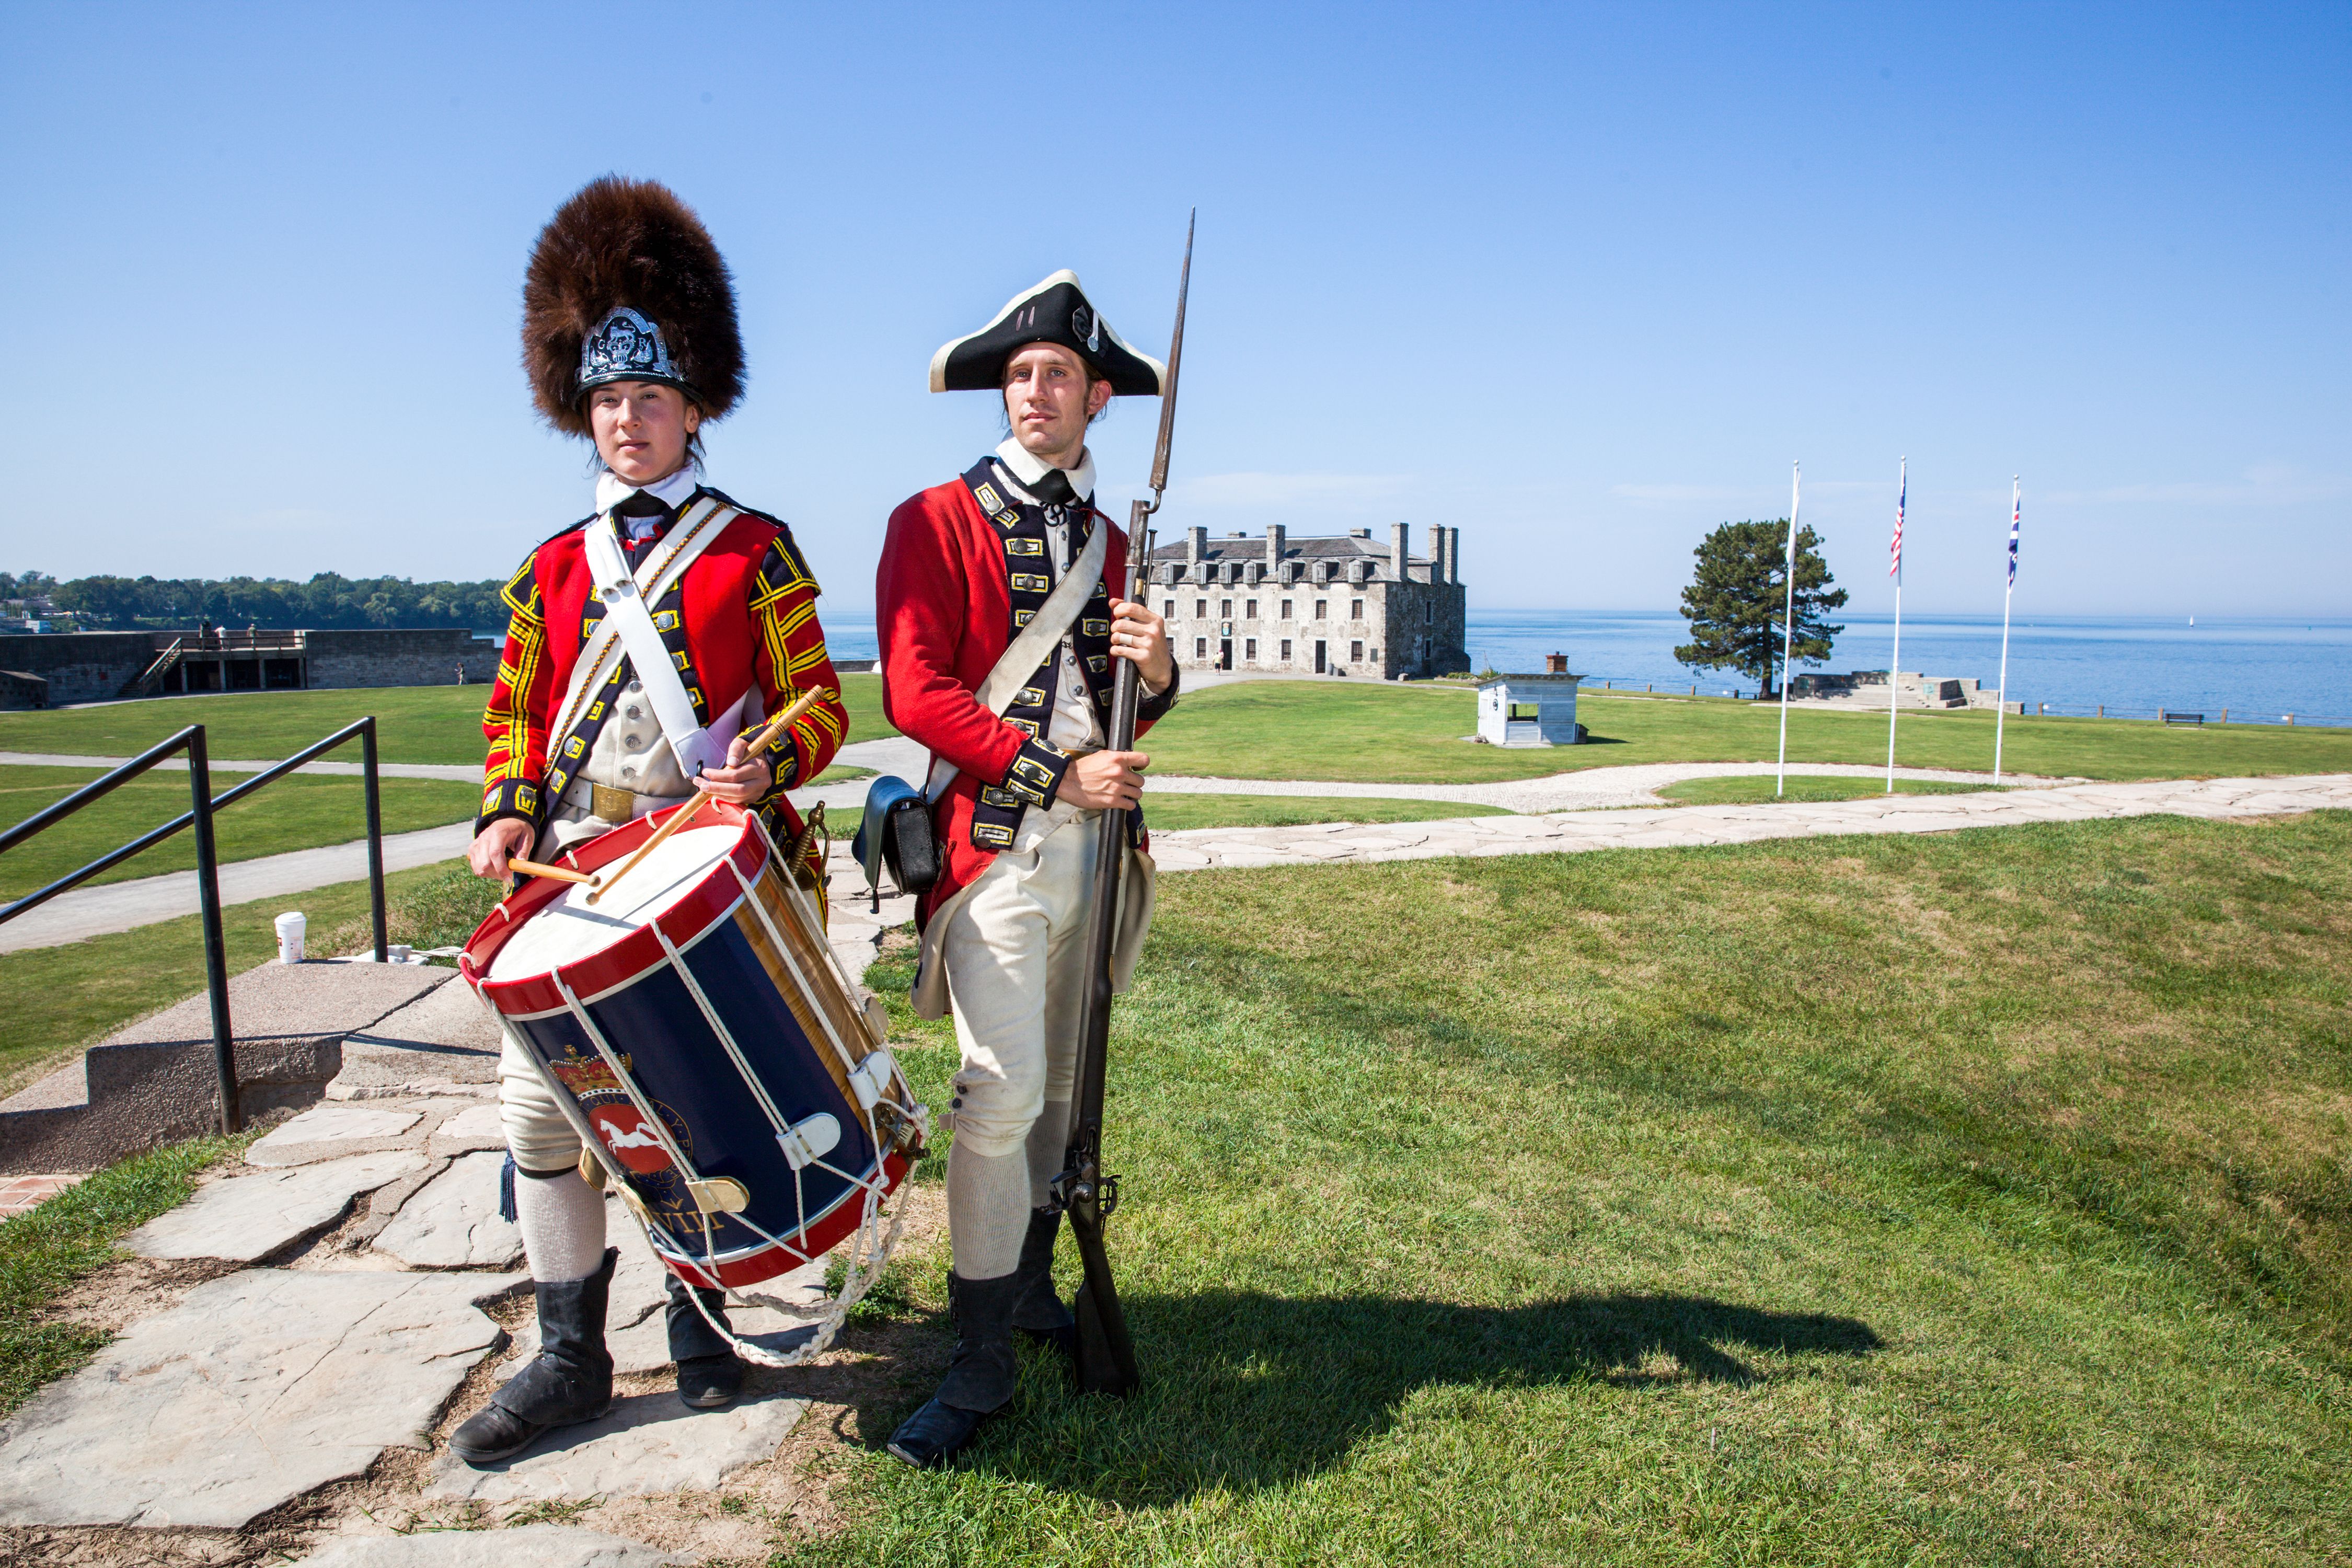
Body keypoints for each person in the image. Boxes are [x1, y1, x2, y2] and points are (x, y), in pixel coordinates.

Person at [452, 176, 850, 1466]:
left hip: (696, 870)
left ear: (694, 409)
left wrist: (768, 764)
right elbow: (517, 715)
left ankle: (702, 1324)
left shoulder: (759, 551)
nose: (628, 420)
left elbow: (819, 706)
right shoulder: (553, 568)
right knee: (542, 1116)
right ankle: (569, 1356)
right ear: (589, 411)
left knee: (689, 1102)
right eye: (609, 402)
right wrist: (507, 812)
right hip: (567, 876)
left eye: (652, 399)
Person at [874, 270, 1177, 1467]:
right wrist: (1055, 775)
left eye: (1056, 375)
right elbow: (918, 693)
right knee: (998, 1093)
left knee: (1062, 1089)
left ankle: (1037, 1288)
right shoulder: (933, 520)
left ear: (1097, 398)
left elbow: (1121, 717)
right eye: (1017, 376)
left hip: (1097, 853)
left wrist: (1154, 679)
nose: (1034, 392)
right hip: (997, 849)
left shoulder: (1114, 542)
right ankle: (980, 1354)